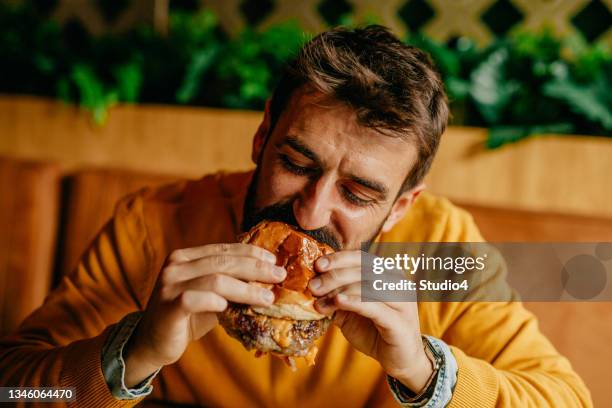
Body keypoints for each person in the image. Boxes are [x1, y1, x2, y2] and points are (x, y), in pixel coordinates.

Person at [0, 25, 591, 407]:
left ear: (401, 207)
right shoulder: (153, 225)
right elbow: (16, 389)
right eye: (297, 162)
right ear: (262, 139)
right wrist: (135, 350)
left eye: (359, 194)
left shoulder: (441, 249)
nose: (311, 210)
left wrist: (422, 367)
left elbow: (565, 400)